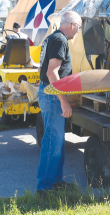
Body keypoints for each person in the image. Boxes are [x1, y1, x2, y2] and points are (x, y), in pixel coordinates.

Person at [36, 11, 82, 196]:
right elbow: (52, 72)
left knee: (57, 141)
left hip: (48, 93)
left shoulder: (51, 38)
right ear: (72, 25)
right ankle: (44, 188)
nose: (77, 32)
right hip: (53, 96)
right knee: (52, 141)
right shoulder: (61, 40)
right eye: (78, 28)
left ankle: (56, 182)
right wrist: (64, 101)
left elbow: (42, 67)